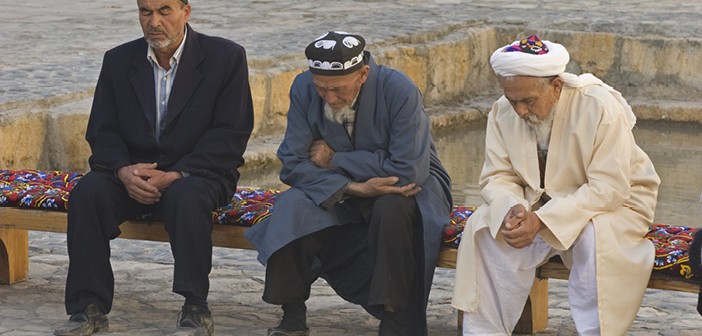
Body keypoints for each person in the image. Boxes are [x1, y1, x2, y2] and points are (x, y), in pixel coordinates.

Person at [54, 0, 254, 335]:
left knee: (186, 197)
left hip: (198, 173)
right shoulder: (118, 60)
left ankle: (195, 308)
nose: (154, 21)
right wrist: (123, 171)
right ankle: (88, 309)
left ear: (185, 12)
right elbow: (102, 130)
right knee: (88, 194)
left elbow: (231, 133)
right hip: (134, 174)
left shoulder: (225, 58)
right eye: (146, 12)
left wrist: (177, 174)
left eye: (165, 11)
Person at [244, 31, 452, 336]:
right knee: (293, 205)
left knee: (392, 206)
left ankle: (395, 319)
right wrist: (353, 187)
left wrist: (336, 159)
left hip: (413, 189)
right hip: (340, 187)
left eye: (337, 89)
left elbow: (406, 170)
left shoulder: (399, 90)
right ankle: (292, 313)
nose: (329, 98)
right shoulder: (304, 87)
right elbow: (292, 163)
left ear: (363, 74)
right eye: (322, 89)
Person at [451, 35, 661, 335]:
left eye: (528, 101)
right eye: (514, 101)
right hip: (536, 206)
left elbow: (608, 188)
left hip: (615, 206)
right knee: (488, 228)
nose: (520, 111)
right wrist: (514, 211)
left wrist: (543, 220)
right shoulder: (502, 111)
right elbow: (498, 176)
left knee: (593, 237)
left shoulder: (599, 107)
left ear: (556, 86)